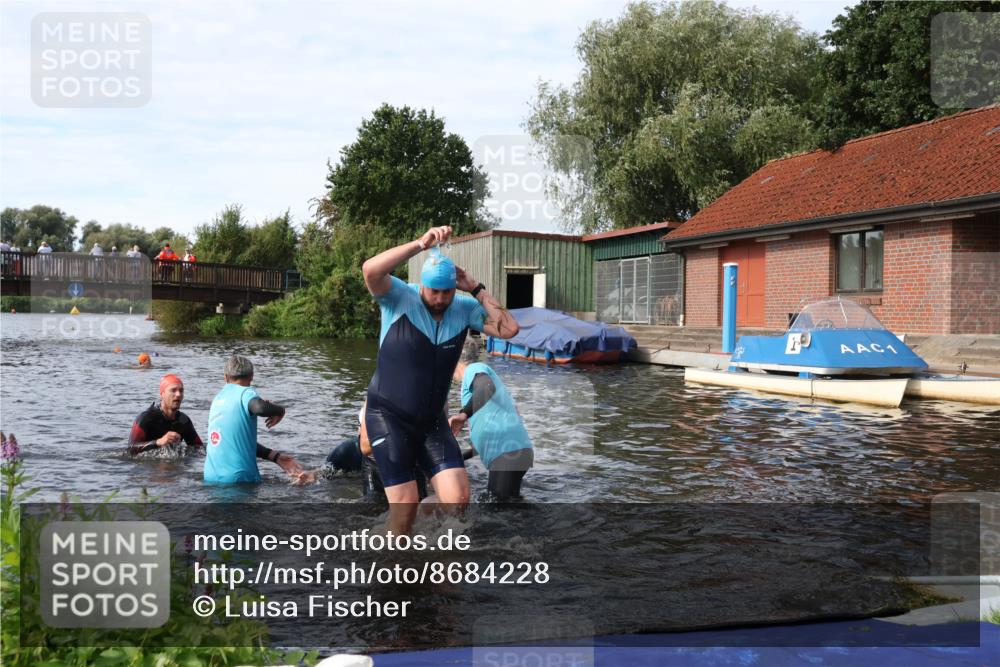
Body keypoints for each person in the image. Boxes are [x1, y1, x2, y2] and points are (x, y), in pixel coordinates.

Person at [361, 225, 520, 534]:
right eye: (434, 290)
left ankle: (418, 546)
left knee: (458, 499)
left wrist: (475, 287)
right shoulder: (398, 298)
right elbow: (370, 270)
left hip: (432, 421)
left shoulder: (463, 308)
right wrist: (419, 244)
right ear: (421, 284)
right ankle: (392, 570)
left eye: (447, 291)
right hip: (388, 416)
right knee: (404, 505)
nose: (440, 298)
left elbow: (509, 330)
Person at [449, 337, 533, 501]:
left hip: (508, 451)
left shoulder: (473, 369)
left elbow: (486, 386)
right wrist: (459, 458)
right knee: (502, 505)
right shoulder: (477, 389)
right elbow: (485, 443)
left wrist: (463, 414)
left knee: (498, 510)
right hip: (511, 450)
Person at [204, 355, 304, 484]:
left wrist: (276, 457)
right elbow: (260, 408)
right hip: (240, 479)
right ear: (251, 376)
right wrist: (280, 410)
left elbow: (236, 441)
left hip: (210, 476)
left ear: (225, 377)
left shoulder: (217, 399)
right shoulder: (246, 393)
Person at [128, 374, 203, 456]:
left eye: (181, 391)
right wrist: (158, 442)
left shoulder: (184, 421)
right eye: (173, 390)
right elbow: (130, 449)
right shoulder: (146, 418)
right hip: (148, 467)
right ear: (162, 394)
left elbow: (200, 449)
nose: (178, 394)